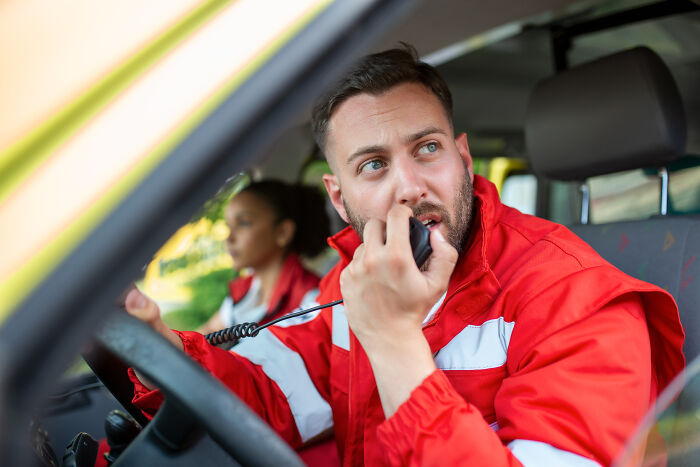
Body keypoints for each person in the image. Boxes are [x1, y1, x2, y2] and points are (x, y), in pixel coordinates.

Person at [125, 46, 685, 466]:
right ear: (339, 198)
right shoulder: (356, 281)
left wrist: (394, 341)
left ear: (463, 158)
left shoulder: (574, 297)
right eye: (373, 164)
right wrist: (155, 351)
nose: (410, 186)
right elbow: (266, 392)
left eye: (427, 149)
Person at [197, 180, 330, 335]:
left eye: (244, 223)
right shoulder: (248, 290)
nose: (229, 238)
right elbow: (207, 332)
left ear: (283, 232)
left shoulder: (311, 301)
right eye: (229, 226)